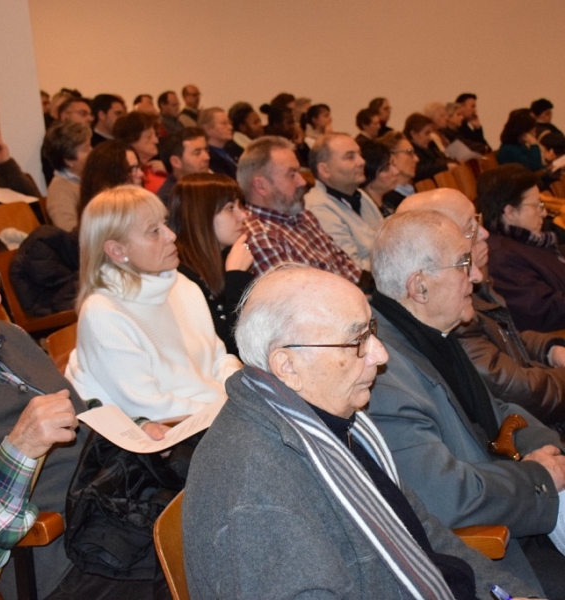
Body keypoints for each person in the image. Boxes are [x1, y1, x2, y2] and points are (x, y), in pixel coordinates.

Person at [183, 263, 540, 600]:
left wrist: (506, 591)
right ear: (287, 365)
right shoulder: (256, 491)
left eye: (372, 331)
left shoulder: (327, 421)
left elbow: (422, 534)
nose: (381, 356)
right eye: (357, 342)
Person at [368, 210, 565, 597]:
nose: (476, 276)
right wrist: (539, 478)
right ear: (419, 287)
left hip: (515, 503)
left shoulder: (433, 333)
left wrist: (548, 454)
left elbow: (502, 413)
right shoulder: (384, 374)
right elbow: (445, 496)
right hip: (493, 550)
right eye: (463, 264)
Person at [66, 185, 241, 422]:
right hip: (180, 434)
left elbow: (220, 359)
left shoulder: (181, 284)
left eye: (165, 223)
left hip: (220, 413)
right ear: (117, 250)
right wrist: (230, 411)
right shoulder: (103, 312)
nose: (171, 235)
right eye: (154, 231)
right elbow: (152, 408)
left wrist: (240, 394)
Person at [397, 187, 565, 427]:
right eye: (471, 227)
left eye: (479, 221)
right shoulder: (446, 306)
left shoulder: (473, 281)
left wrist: (550, 349)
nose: (485, 233)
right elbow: (519, 392)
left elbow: (506, 337)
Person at [0, 242, 78, 585]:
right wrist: (20, 448)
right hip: (66, 563)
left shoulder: (10, 337)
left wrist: (136, 429)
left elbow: (81, 419)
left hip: (118, 511)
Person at [237, 136, 363, 285]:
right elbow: (301, 300)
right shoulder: (260, 237)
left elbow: (346, 266)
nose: (302, 181)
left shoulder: (302, 215)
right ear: (261, 186)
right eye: (292, 175)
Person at [168, 173, 253, 355]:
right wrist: (236, 276)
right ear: (201, 215)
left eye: (241, 206)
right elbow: (233, 349)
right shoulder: (180, 276)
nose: (243, 216)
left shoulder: (227, 255)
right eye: (231, 208)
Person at [479, 164, 565, 332]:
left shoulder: (527, 239)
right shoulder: (501, 258)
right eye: (535, 205)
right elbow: (542, 312)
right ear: (510, 212)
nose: (543, 213)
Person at [304, 133, 382, 272]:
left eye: (359, 154)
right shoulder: (317, 208)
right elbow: (352, 268)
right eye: (350, 157)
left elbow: (387, 240)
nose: (362, 161)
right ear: (325, 170)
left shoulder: (359, 194)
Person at [43, 120, 92, 231]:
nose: (92, 152)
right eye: (85, 149)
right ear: (68, 160)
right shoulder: (60, 189)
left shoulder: (88, 178)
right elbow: (69, 230)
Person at [78, 139, 143, 216]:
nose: (141, 174)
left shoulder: (140, 205)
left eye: (138, 167)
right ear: (112, 176)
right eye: (132, 169)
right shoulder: (103, 217)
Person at [112, 111, 166, 193]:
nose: (156, 141)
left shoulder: (159, 169)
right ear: (131, 140)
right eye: (148, 137)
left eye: (155, 135)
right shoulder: (125, 176)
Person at [157, 127, 210, 207]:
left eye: (206, 150)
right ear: (176, 162)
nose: (207, 157)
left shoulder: (209, 184)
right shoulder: (171, 198)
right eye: (197, 153)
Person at [404, 113, 456, 182]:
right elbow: (418, 170)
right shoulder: (408, 151)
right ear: (413, 134)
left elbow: (441, 158)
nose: (430, 137)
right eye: (426, 133)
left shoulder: (430, 145)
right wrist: (445, 166)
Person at [379, 130, 419, 211]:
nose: (416, 159)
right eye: (409, 152)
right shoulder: (388, 200)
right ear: (391, 158)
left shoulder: (410, 191)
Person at [360, 141, 400, 217]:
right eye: (386, 168)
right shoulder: (364, 212)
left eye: (394, 165)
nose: (396, 172)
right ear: (369, 173)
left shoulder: (392, 202)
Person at [197, 107, 236, 178]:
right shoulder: (209, 158)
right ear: (207, 129)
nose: (230, 127)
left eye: (230, 123)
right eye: (224, 124)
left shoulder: (233, 149)